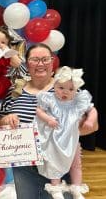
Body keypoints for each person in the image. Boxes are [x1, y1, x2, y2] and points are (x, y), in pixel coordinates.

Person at [0, 43, 98, 199]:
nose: (40, 64)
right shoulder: (15, 90)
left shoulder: (66, 89)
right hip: (25, 167)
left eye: (45, 59)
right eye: (35, 59)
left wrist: (66, 131)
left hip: (60, 164)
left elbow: (92, 126)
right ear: (27, 63)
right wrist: (5, 120)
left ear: (52, 62)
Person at [36, 66, 95, 199]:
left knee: (76, 164)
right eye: (61, 88)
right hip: (54, 140)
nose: (65, 92)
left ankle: (76, 187)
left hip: (72, 140)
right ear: (54, 85)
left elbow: (92, 110)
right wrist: (48, 119)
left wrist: (90, 120)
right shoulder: (49, 98)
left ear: (76, 89)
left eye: (71, 89)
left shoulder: (78, 100)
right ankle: (56, 187)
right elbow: (39, 110)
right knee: (53, 162)